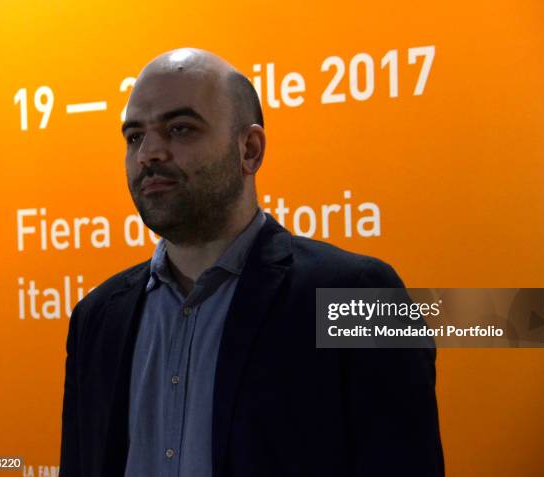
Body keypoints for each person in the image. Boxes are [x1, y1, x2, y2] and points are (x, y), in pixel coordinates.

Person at [59, 47, 444, 477]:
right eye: (135, 137)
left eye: (180, 129)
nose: (149, 153)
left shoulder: (357, 294)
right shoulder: (96, 319)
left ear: (250, 150)